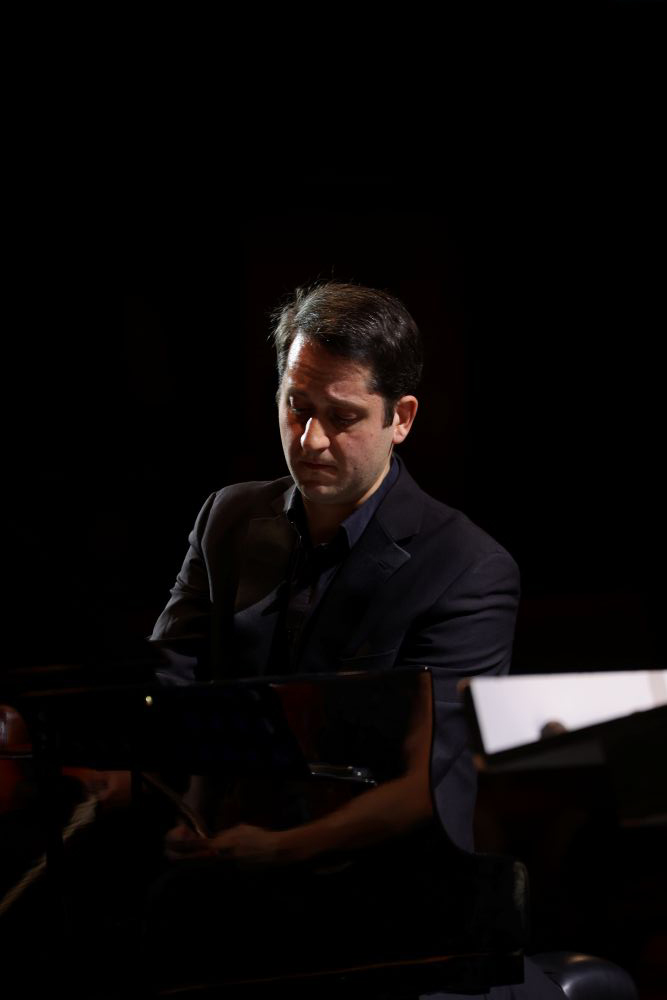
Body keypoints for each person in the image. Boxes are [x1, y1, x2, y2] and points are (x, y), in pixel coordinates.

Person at [145, 283, 562, 997]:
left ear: (401, 418)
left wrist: (275, 849)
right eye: (296, 407)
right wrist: (167, 800)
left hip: (393, 898)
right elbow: (162, 693)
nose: (309, 440)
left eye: (342, 418)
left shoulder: (468, 567)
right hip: (235, 879)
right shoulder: (227, 517)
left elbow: (422, 787)